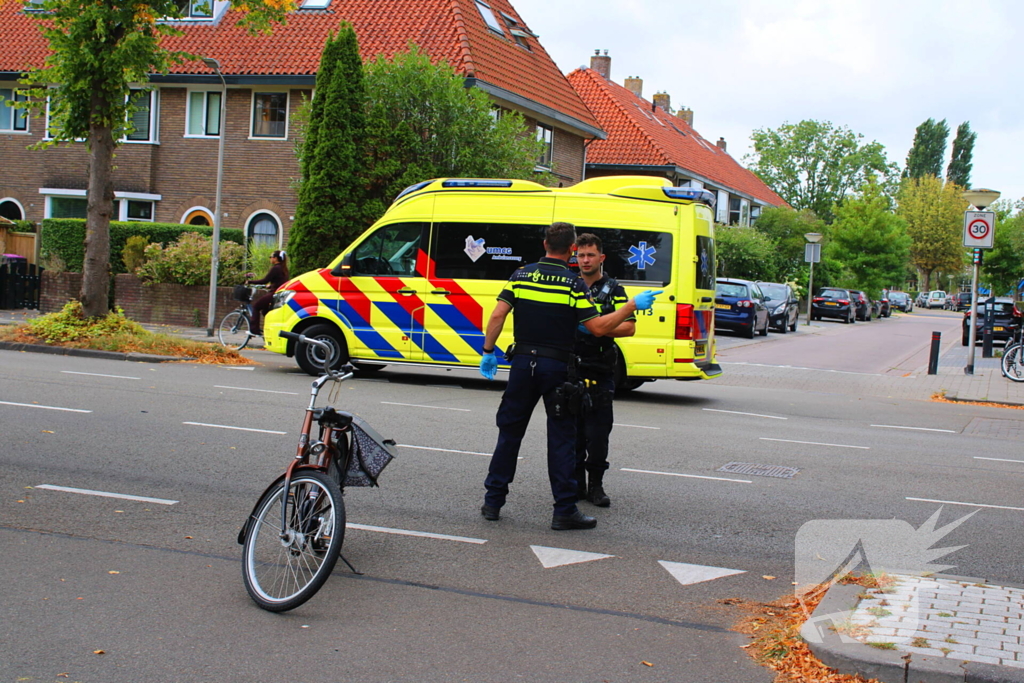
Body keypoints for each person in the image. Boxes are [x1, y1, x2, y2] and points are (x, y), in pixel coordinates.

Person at [478, 222, 660, 531]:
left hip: (522, 364)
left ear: (544, 243)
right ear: (572, 250)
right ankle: (564, 510)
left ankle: (493, 502)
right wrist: (631, 305)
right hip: (557, 369)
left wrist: (487, 350)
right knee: (561, 439)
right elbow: (599, 328)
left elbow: (498, 314)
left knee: (509, 435)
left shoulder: (521, 275)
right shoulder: (573, 284)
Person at [573, 233, 635, 508]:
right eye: (581, 255)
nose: (585, 260)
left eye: (590, 255)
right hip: (572, 368)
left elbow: (629, 327)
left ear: (601, 258)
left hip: (600, 370)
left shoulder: (614, 289)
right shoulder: (568, 284)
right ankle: (575, 485)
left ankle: (596, 486)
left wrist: (596, 326)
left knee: (598, 434)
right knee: (572, 432)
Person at [245, 250, 290, 336]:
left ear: (276, 258)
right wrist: (271, 285)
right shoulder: (284, 268)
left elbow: (265, 280)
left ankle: (254, 331)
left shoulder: (276, 268)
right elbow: (280, 281)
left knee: (256, 307)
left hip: (274, 293)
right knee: (265, 311)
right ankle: (269, 330)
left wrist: (250, 282)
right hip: (279, 292)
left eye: (271, 257)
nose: (270, 259)